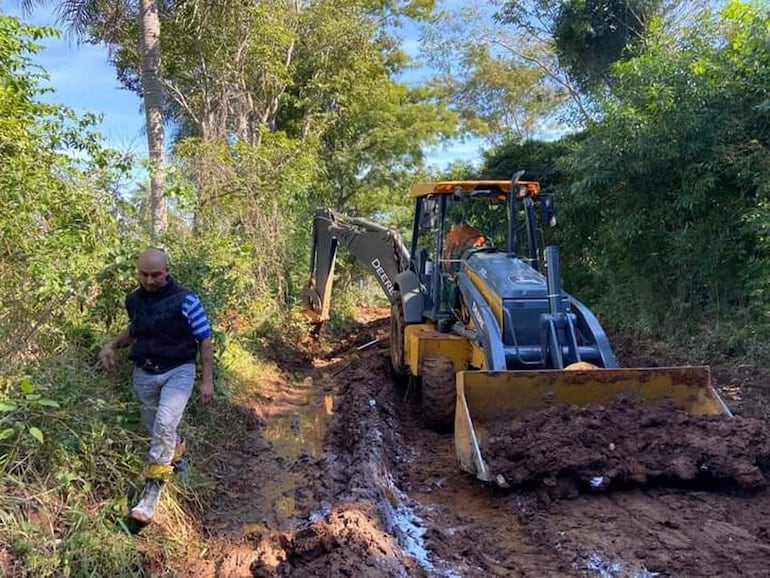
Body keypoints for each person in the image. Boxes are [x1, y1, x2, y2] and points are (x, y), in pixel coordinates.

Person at [98, 247, 214, 524]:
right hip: (145, 372)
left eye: (156, 275)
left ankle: (151, 495)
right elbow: (134, 330)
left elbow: (205, 340)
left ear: (167, 271)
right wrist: (111, 344)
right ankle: (179, 456)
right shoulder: (133, 300)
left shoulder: (186, 300)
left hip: (179, 370)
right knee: (159, 430)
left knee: (163, 426)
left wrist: (207, 380)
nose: (149, 281)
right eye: (144, 274)